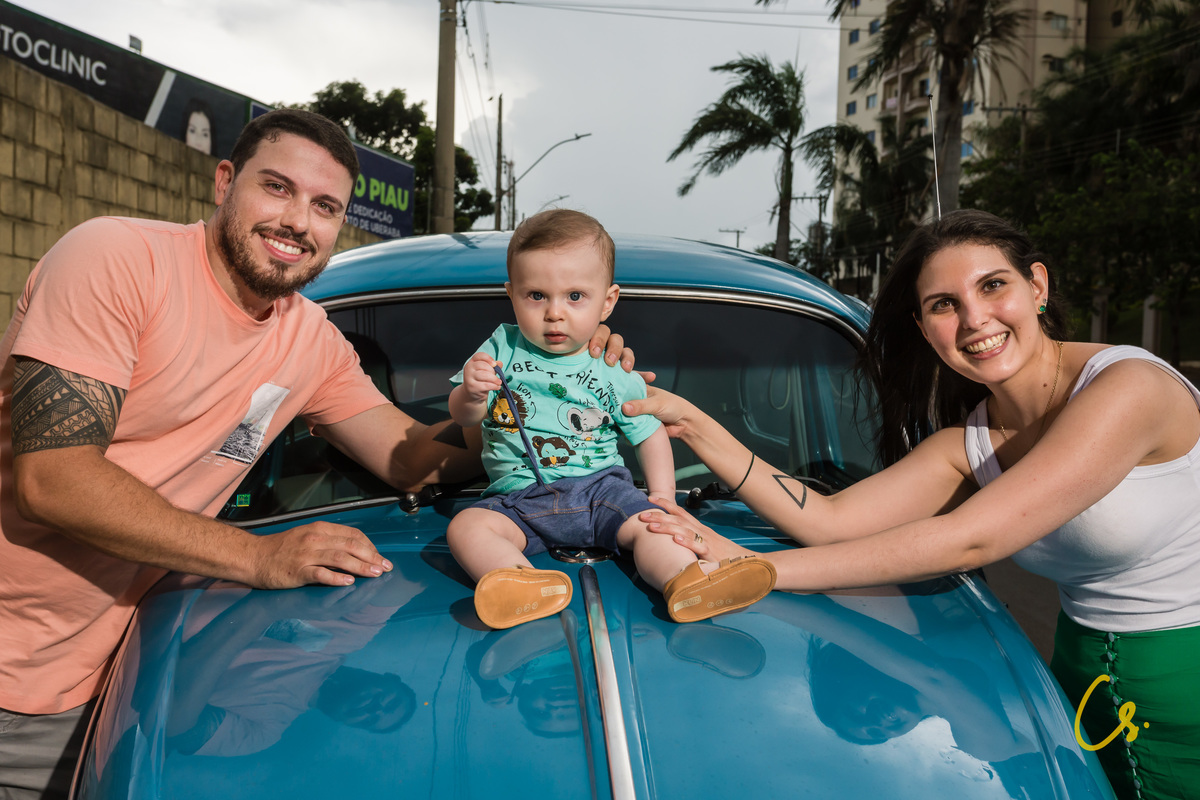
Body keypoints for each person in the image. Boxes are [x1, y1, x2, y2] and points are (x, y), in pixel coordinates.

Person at [0, 109, 633, 800]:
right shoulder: (116, 259)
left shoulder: (310, 340)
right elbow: (53, 478)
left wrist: (549, 393)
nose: (298, 220)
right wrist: (259, 555)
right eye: (277, 188)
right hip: (16, 669)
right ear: (223, 182)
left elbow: (406, 457)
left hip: (129, 666)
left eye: (324, 206)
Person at [625, 209, 1200, 800]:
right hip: (1079, 687)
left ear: (1038, 286)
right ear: (925, 329)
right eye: (943, 304)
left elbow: (973, 538)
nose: (975, 318)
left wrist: (754, 569)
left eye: (993, 285)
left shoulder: (1130, 387)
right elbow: (830, 521)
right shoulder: (972, 442)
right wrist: (692, 423)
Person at [446, 209, 776, 630]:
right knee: (467, 526)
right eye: (536, 296)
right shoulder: (500, 346)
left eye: (575, 296)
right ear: (511, 294)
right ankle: (519, 583)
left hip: (602, 492)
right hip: (516, 501)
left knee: (652, 528)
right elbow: (464, 417)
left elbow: (649, 433)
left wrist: (664, 499)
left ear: (608, 301)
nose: (554, 313)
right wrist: (471, 392)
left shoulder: (614, 368)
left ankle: (686, 580)